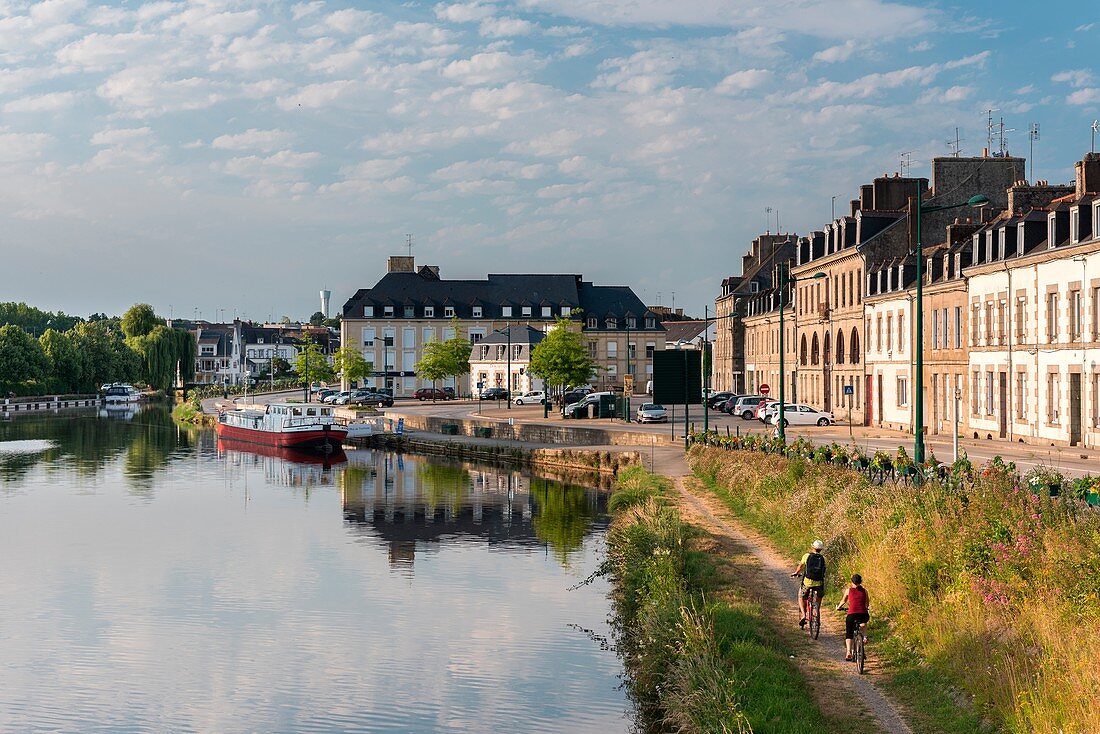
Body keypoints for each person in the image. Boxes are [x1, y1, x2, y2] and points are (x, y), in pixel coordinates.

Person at [790, 539, 826, 628]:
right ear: (821, 549)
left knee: (801, 597)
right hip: (819, 583)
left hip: (807, 582)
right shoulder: (823, 558)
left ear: (812, 547)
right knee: (819, 597)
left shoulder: (807, 556)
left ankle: (803, 615)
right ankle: (816, 611)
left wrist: (796, 572)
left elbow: (801, 566)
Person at [837, 574, 870, 661]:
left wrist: (838, 607)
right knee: (863, 622)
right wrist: (865, 608)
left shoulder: (848, 590)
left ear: (852, 582)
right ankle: (865, 637)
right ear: (861, 582)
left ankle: (848, 652)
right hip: (863, 614)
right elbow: (867, 604)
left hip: (852, 615)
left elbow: (843, 601)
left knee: (849, 633)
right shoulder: (865, 591)